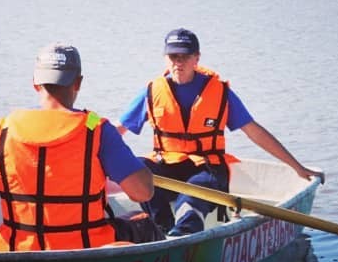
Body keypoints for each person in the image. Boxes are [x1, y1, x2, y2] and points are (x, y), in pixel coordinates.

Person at [116, 28, 324, 237]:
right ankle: (162, 230)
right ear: (165, 59)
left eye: (185, 56)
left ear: (196, 58)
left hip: (208, 169)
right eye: (173, 56)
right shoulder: (152, 91)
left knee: (193, 193)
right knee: (137, 167)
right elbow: (115, 132)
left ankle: (183, 236)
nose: (178, 62)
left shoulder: (220, 92)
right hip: (167, 168)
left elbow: (254, 132)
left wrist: (297, 167)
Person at [0, 43, 155, 251]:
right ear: (78, 83)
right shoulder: (95, 127)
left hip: (17, 251)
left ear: (35, 84)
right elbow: (142, 193)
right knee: (144, 224)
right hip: (86, 249)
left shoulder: (4, 128)